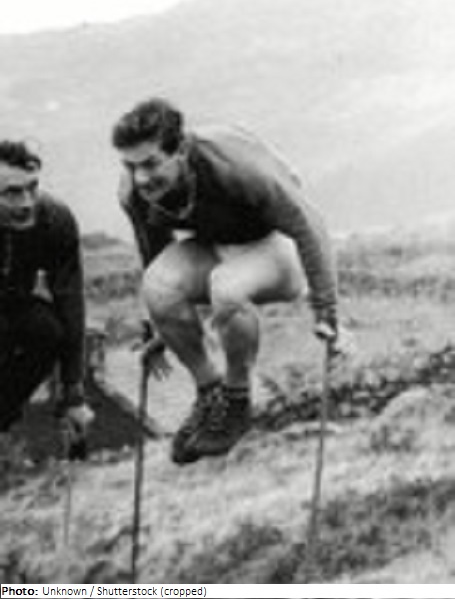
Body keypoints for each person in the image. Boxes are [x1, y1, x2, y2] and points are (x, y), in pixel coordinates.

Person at [112, 97, 339, 465]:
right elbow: (155, 250)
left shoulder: (236, 166)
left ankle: (236, 402)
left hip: (276, 244)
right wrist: (159, 325)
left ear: (180, 150)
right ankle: (209, 395)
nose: (141, 178)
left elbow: (308, 225)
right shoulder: (134, 192)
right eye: (130, 165)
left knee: (226, 286)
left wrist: (326, 311)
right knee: (157, 286)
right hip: (216, 244)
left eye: (150, 164)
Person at [0, 140, 93, 452]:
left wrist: (73, 392)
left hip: (13, 302)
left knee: (47, 330)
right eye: (12, 193)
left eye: (32, 188)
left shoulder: (54, 218)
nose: (27, 202)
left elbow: (70, 300)